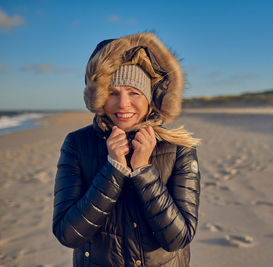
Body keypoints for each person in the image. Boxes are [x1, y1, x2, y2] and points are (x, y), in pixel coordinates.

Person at [52, 32, 201, 267]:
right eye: (113, 93)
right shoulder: (77, 144)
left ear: (150, 98)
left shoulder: (178, 148)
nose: (123, 104)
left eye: (134, 93)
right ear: (100, 97)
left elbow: (178, 238)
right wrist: (114, 169)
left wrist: (143, 170)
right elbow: (68, 234)